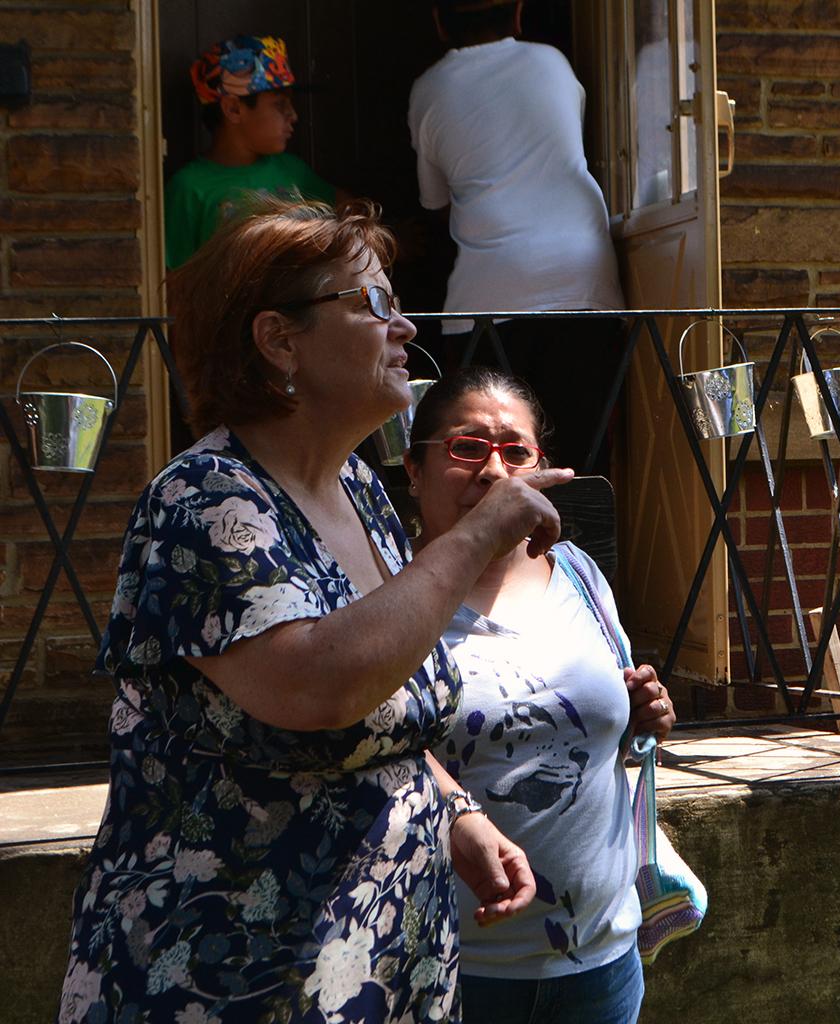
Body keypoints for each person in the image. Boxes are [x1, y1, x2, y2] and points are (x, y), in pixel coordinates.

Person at [58, 199, 572, 1023]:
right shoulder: (204, 502)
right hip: (229, 982)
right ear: (279, 340)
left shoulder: (359, 489)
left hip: (382, 964)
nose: (403, 327)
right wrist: (475, 535)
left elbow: (383, 691)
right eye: (371, 303)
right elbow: (315, 687)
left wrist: (454, 808)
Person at [402, 367, 675, 1024]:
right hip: (457, 969)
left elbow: (603, 724)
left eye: (515, 452)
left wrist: (639, 714)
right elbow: (368, 742)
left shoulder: (579, 574)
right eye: (468, 447)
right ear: (414, 468)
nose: (495, 472)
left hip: (602, 965)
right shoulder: (392, 599)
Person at [407, 0, 625, 472]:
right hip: (580, 284)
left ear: (439, 21)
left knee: (491, 460)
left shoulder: (430, 87)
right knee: (580, 456)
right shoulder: (552, 63)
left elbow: (435, 204)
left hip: (489, 295)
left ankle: (504, 545)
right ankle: (580, 545)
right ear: (520, 15)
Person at [164, 34, 339, 269]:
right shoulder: (188, 189)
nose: (294, 116)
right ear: (234, 109)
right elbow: (175, 283)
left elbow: (347, 213)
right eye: (280, 104)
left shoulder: (292, 170)